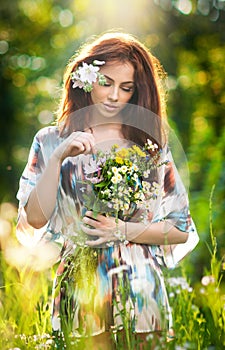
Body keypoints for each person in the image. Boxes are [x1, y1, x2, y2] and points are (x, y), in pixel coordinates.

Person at [16, 32, 199, 349]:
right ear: (86, 80)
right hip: (82, 284)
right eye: (106, 82)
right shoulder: (49, 140)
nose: (115, 96)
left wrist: (123, 229)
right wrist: (59, 156)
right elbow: (34, 218)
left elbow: (180, 229)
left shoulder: (150, 146)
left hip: (140, 288)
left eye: (126, 88)